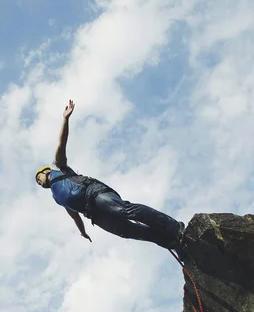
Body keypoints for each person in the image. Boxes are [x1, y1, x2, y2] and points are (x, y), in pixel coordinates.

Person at [35, 99, 185, 250]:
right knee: (126, 231)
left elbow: (62, 143)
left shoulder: (57, 167)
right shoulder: (57, 196)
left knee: (123, 210)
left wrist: (65, 119)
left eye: (38, 178)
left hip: (93, 193)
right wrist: (83, 232)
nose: (39, 183)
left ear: (45, 171)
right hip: (93, 214)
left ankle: (174, 228)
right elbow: (74, 215)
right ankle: (172, 243)